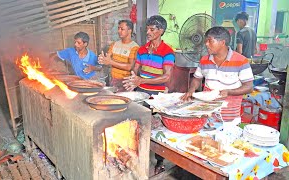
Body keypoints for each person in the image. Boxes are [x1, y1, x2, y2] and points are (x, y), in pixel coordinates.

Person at [122, 15, 175, 175]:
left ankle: (160, 162)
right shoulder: (142, 49)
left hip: (158, 95)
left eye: (152, 29)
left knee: (158, 129)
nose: (148, 32)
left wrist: (140, 80)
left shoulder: (168, 51)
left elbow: (167, 77)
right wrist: (132, 79)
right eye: (147, 29)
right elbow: (136, 70)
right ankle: (135, 156)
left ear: (161, 31)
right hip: (140, 92)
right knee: (135, 124)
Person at [181, 26, 254, 122]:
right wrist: (191, 89)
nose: (206, 44)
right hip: (207, 111)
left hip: (229, 113)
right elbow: (197, 79)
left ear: (222, 43)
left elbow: (249, 87)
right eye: (206, 41)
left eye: (210, 41)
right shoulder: (204, 60)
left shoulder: (241, 61)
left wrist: (229, 92)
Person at [98, 20, 139, 92]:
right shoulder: (114, 44)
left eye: (122, 29)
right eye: (118, 28)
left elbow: (129, 67)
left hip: (126, 81)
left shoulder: (134, 47)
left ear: (129, 31)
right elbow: (108, 61)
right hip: (113, 79)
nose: (119, 31)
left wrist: (111, 62)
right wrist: (103, 60)